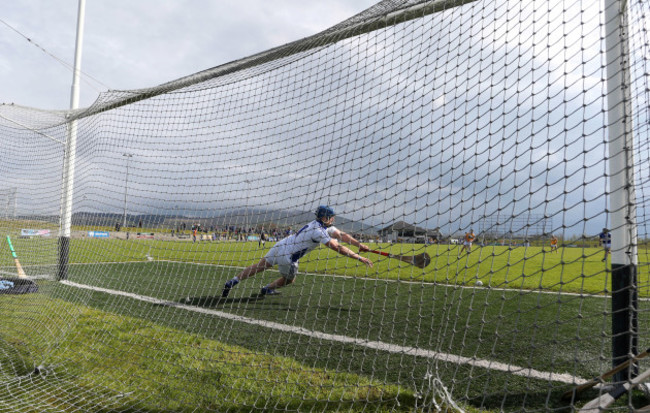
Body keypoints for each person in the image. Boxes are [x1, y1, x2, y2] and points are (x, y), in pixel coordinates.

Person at [222, 205, 373, 298]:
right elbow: (337, 246)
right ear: (324, 217)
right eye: (330, 217)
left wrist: (358, 244)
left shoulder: (320, 225)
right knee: (289, 280)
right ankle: (267, 289)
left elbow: (341, 235)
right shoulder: (318, 231)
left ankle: (233, 281)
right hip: (288, 257)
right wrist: (359, 257)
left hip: (281, 245)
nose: (332, 220)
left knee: (259, 266)